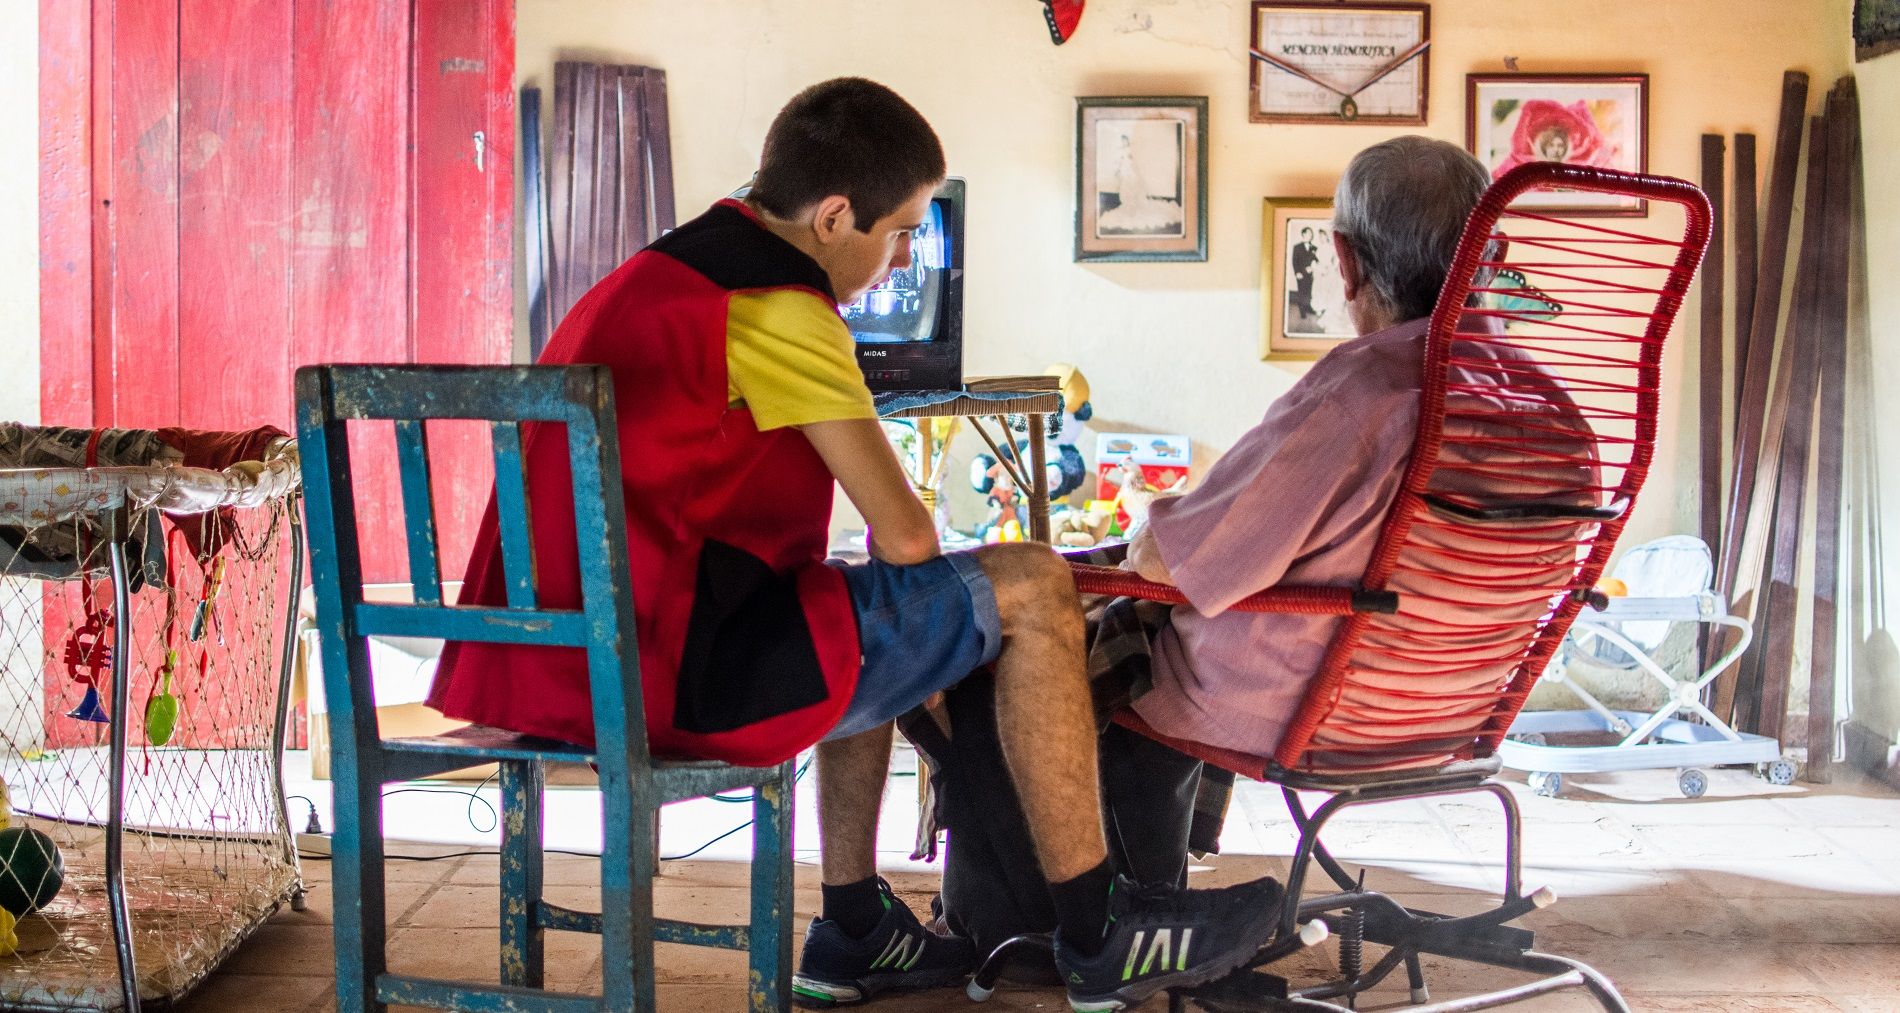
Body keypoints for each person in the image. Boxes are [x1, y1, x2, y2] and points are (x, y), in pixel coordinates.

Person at [426, 77, 1283, 1010]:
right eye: (902, 231)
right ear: (834, 216)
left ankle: (855, 930)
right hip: (671, 680)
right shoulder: (780, 306)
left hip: (554, 663)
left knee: (842, 589)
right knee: (1034, 580)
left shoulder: (653, 274)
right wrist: (957, 613)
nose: (905, 255)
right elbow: (908, 535)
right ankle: (1100, 929)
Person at [1122, 135, 1589, 767]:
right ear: (1492, 253)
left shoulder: (1363, 394)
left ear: (1344, 260)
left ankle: (1101, 838)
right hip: (1452, 718)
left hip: (1298, 716)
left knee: (1076, 629)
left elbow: (1174, 563)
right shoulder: (1559, 412)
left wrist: (1146, 527)